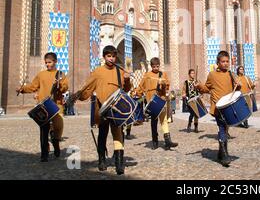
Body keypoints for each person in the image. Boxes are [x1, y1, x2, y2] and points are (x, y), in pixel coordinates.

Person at [70, 45, 132, 175]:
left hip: (117, 109)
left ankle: (119, 163)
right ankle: (102, 160)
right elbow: (88, 87)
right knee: (102, 135)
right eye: (109, 56)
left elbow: (126, 89)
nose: (111, 59)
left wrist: (127, 80)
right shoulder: (98, 71)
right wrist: (79, 95)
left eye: (113, 56)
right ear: (104, 57)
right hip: (103, 109)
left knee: (118, 134)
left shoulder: (119, 71)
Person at [17, 52, 68, 162]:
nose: (47, 64)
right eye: (46, 63)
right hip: (44, 106)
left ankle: (56, 142)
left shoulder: (60, 74)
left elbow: (65, 88)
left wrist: (59, 84)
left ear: (55, 62)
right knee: (43, 130)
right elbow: (33, 86)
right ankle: (44, 154)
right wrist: (22, 89)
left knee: (58, 127)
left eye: (49, 62)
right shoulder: (41, 74)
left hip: (56, 106)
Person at [196, 51, 241, 167]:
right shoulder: (212, 75)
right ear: (218, 62)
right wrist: (199, 86)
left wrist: (239, 85)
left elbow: (236, 90)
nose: (225, 64)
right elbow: (207, 88)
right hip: (218, 107)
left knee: (225, 129)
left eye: (227, 61)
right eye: (223, 61)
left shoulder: (231, 74)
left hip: (228, 106)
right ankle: (224, 155)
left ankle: (221, 153)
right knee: (222, 128)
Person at [136, 57, 178, 150]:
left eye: (157, 66)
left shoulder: (163, 74)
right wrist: (138, 93)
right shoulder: (147, 75)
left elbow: (167, 85)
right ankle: (155, 141)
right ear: (151, 66)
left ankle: (168, 141)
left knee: (164, 120)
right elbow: (141, 86)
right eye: (154, 66)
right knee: (154, 122)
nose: (156, 68)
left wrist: (163, 85)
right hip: (152, 101)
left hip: (162, 100)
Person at [183, 69, 201, 133]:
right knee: (192, 113)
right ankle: (189, 124)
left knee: (196, 114)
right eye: (191, 73)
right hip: (190, 100)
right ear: (189, 74)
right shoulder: (186, 82)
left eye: (193, 73)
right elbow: (184, 90)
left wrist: (198, 86)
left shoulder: (197, 81)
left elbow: (200, 89)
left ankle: (196, 127)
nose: (193, 74)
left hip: (196, 100)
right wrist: (184, 94)